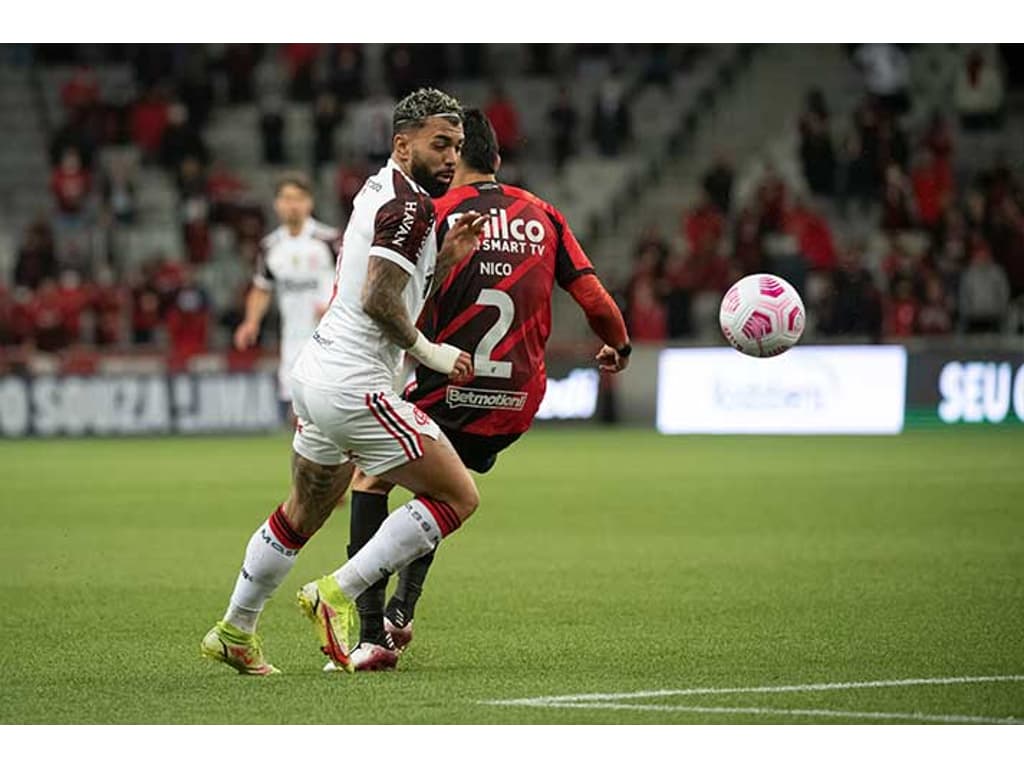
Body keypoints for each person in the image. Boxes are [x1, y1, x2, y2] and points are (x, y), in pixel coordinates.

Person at [200, 87, 486, 675]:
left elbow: (390, 287)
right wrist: (433, 353)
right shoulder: (411, 209)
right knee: (457, 496)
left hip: (317, 374)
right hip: (357, 387)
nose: (451, 157)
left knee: (301, 512)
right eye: (440, 145)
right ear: (402, 144)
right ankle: (336, 592)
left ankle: (236, 628)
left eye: (456, 146)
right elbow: (380, 298)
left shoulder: (381, 190)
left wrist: (445, 260)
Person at [340, 108, 631, 672]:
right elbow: (595, 300)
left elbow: (390, 298)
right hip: (518, 403)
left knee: (369, 477)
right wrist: (618, 345)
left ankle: (371, 632)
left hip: (449, 385)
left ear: (457, 158)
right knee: (445, 490)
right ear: (497, 159)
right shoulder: (542, 214)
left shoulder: (434, 211)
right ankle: (404, 607)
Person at [233, 172, 339, 415]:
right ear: (277, 204)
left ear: (310, 202)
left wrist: (333, 304)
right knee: (297, 414)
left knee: (330, 411)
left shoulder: (329, 240)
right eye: (287, 199)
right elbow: (262, 288)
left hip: (330, 338)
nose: (293, 205)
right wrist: (250, 323)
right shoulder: (270, 246)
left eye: (299, 198)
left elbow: (354, 282)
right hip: (292, 340)